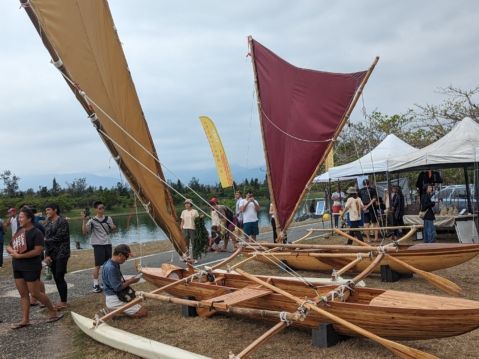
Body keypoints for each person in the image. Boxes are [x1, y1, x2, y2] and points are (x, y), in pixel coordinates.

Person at [6, 207, 63, 329]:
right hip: (17, 266)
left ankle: (53, 311)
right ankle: (25, 319)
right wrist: (13, 251)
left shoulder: (36, 232)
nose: (19, 219)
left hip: (31, 266)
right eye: (19, 217)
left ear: (29, 218)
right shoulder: (19, 231)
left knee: (35, 293)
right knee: (23, 294)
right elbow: (9, 246)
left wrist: (20, 256)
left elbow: (38, 251)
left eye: (21, 217)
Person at [102, 244, 147, 318]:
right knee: (143, 313)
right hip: (114, 298)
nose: (125, 260)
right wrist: (131, 281)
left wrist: (129, 280)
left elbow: (115, 281)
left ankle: (114, 310)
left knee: (138, 306)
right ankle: (113, 312)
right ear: (120, 255)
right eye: (125, 257)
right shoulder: (111, 268)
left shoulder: (111, 263)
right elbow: (117, 288)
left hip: (115, 296)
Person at [82, 201, 117, 293]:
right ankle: (96, 285)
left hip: (107, 243)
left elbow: (112, 230)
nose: (102, 209)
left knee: (108, 264)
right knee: (97, 266)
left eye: (103, 207)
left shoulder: (108, 218)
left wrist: (113, 227)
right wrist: (84, 220)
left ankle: (107, 283)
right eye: (100, 208)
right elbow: (85, 232)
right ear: (96, 209)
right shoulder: (92, 220)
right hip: (98, 245)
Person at [44, 203, 70, 310]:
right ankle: (62, 300)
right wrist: (47, 255)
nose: (47, 212)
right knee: (55, 277)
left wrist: (45, 240)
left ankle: (64, 302)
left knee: (59, 275)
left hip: (62, 253)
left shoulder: (62, 221)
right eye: (46, 210)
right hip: (52, 254)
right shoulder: (48, 223)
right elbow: (47, 241)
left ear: (55, 210)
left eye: (49, 210)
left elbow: (60, 237)